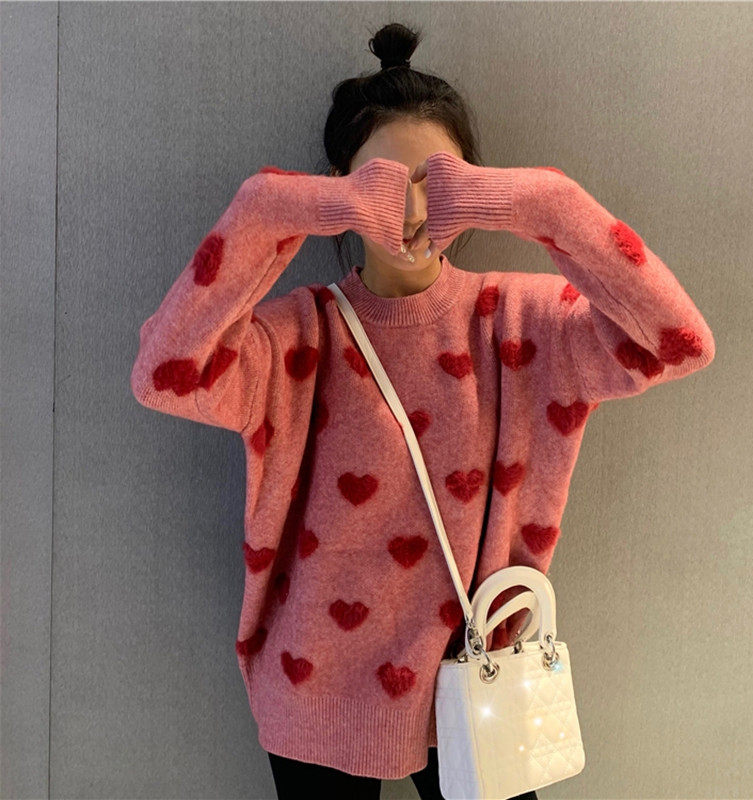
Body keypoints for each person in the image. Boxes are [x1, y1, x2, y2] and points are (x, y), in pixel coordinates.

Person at [131, 20, 714, 800]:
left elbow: (678, 342)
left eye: (437, 183)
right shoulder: (296, 337)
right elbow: (164, 375)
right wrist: (269, 207)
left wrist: (546, 201)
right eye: (379, 184)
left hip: (478, 677)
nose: (409, 211)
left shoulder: (526, 326)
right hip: (314, 681)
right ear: (337, 187)